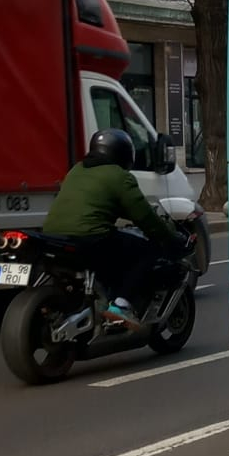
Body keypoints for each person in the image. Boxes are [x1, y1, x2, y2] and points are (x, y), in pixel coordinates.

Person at [41, 127, 187, 321]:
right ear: (124, 153)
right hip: (89, 237)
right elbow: (145, 218)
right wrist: (170, 238)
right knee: (147, 250)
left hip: (53, 234)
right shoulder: (119, 176)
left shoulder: (76, 170)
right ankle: (121, 305)